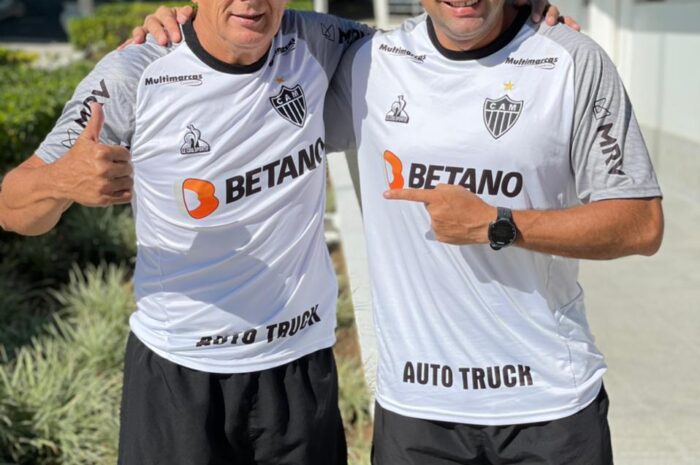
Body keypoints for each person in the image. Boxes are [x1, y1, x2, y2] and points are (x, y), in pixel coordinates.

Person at [0, 2, 573, 465]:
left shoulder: (314, 39)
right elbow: (14, 208)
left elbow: (435, 44)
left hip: (298, 369)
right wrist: (61, 181)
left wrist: (518, 21)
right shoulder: (135, 71)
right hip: (181, 376)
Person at [136, 1, 663, 464]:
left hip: (548, 405)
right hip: (416, 412)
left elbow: (641, 224)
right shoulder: (369, 60)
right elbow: (245, 65)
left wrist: (500, 224)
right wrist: (183, 27)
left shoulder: (571, 59)